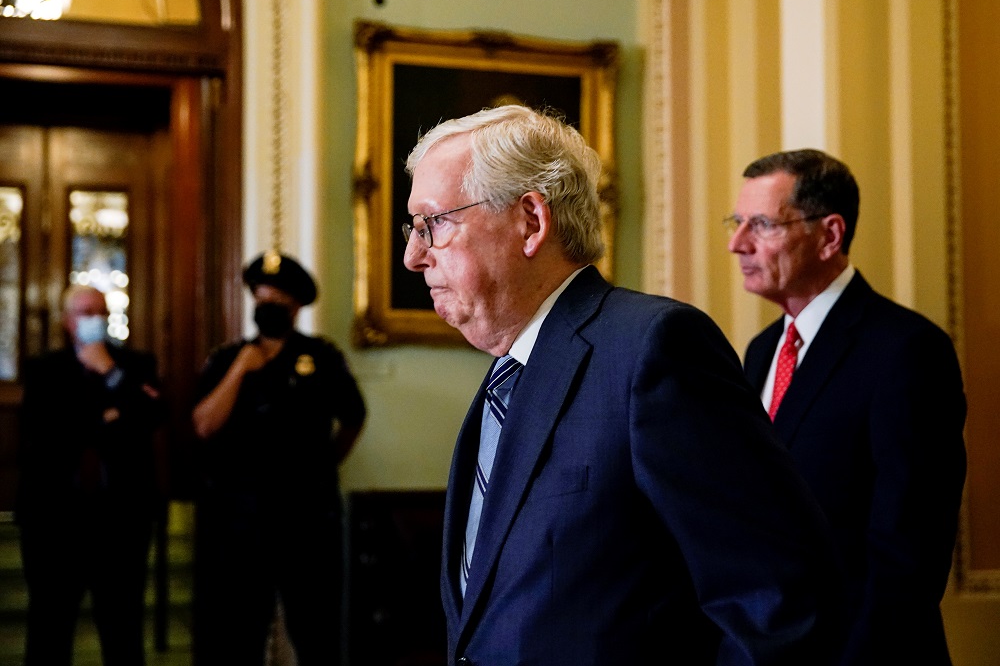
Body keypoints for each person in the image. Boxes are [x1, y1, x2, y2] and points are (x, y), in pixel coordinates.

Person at [402, 104, 844, 665]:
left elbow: (773, 600)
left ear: (531, 222)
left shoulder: (654, 350)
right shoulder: (506, 376)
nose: (414, 256)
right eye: (413, 228)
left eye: (434, 223)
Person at [726, 148, 967, 665]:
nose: (737, 244)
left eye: (761, 225)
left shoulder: (907, 351)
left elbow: (909, 554)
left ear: (829, 235)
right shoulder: (762, 351)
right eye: (738, 222)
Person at [191, 251, 366, 666]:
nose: (269, 305)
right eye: (262, 297)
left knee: (318, 633)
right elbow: (203, 425)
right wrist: (241, 370)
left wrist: (325, 465)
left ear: (297, 305)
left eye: (279, 299)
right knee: (236, 637)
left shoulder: (322, 358)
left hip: (307, 520)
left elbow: (353, 418)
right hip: (240, 523)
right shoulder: (226, 358)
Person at [15, 285, 164, 666]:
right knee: (50, 628)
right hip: (54, 520)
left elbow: (151, 417)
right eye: (84, 312)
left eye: (100, 311)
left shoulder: (136, 365)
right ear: (67, 322)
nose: (94, 318)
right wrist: (112, 416)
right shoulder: (43, 369)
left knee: (123, 630)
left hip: (121, 519)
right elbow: (44, 432)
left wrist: (111, 375)